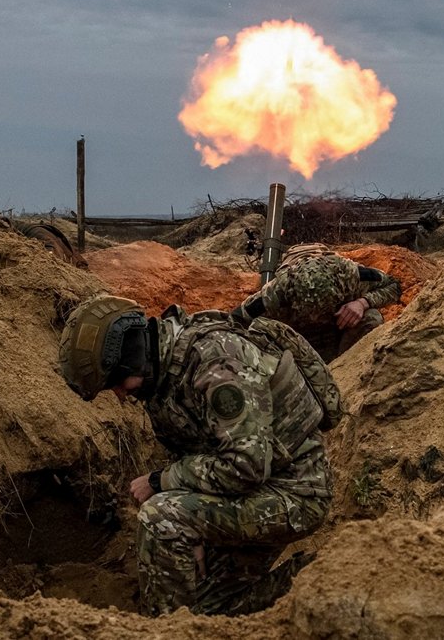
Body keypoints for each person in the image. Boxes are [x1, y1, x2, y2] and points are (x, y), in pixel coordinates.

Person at [57, 294, 336, 616]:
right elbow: (201, 448)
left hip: (293, 494)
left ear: (131, 357)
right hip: (248, 493)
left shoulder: (217, 364)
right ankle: (313, 578)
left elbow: (246, 466)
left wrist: (162, 483)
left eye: (116, 383)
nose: (120, 395)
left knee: (160, 517)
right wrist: (197, 526)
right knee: (207, 607)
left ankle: (167, 633)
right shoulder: (165, 370)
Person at [231, 243, 402, 362]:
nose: (316, 317)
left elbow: (394, 285)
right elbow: (234, 320)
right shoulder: (274, 294)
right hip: (297, 342)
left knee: (371, 317)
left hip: (340, 331)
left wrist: (363, 303)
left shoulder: (351, 276)